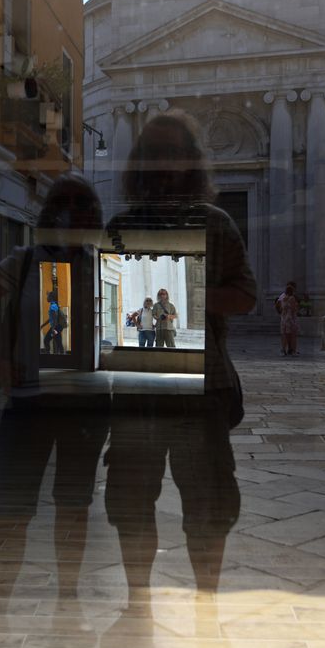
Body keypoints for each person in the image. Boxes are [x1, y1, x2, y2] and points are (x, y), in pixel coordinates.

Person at [103, 110, 256, 620]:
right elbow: (105, 307)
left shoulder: (216, 223)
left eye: (173, 153)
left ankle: (206, 605)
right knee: (130, 500)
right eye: (154, 154)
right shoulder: (121, 226)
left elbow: (245, 296)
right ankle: (137, 603)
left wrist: (190, 298)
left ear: (190, 161)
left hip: (202, 389)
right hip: (137, 388)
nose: (163, 164)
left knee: (208, 505)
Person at [0, 174, 109, 615]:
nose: (76, 215)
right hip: (29, 403)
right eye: (67, 206)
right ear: (52, 214)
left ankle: (68, 599)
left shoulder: (104, 264)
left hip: (87, 404)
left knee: (74, 506)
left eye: (84, 208)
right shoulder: (24, 261)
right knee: (12, 509)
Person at [276, 283, 299, 356]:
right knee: (293, 335)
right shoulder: (292, 298)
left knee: (284, 335)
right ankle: (293, 351)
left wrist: (281, 312)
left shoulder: (282, 298)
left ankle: (283, 350)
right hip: (291, 319)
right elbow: (293, 309)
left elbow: (279, 307)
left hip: (283, 318)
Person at [42, 290, 65, 354]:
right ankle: (61, 356)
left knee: (46, 340)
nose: (47, 298)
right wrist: (43, 325)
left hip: (56, 327)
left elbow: (55, 319)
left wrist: (53, 329)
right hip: (57, 327)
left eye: (48, 296)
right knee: (58, 342)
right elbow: (51, 318)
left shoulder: (53, 306)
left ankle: (48, 355)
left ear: (51, 297)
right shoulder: (54, 305)